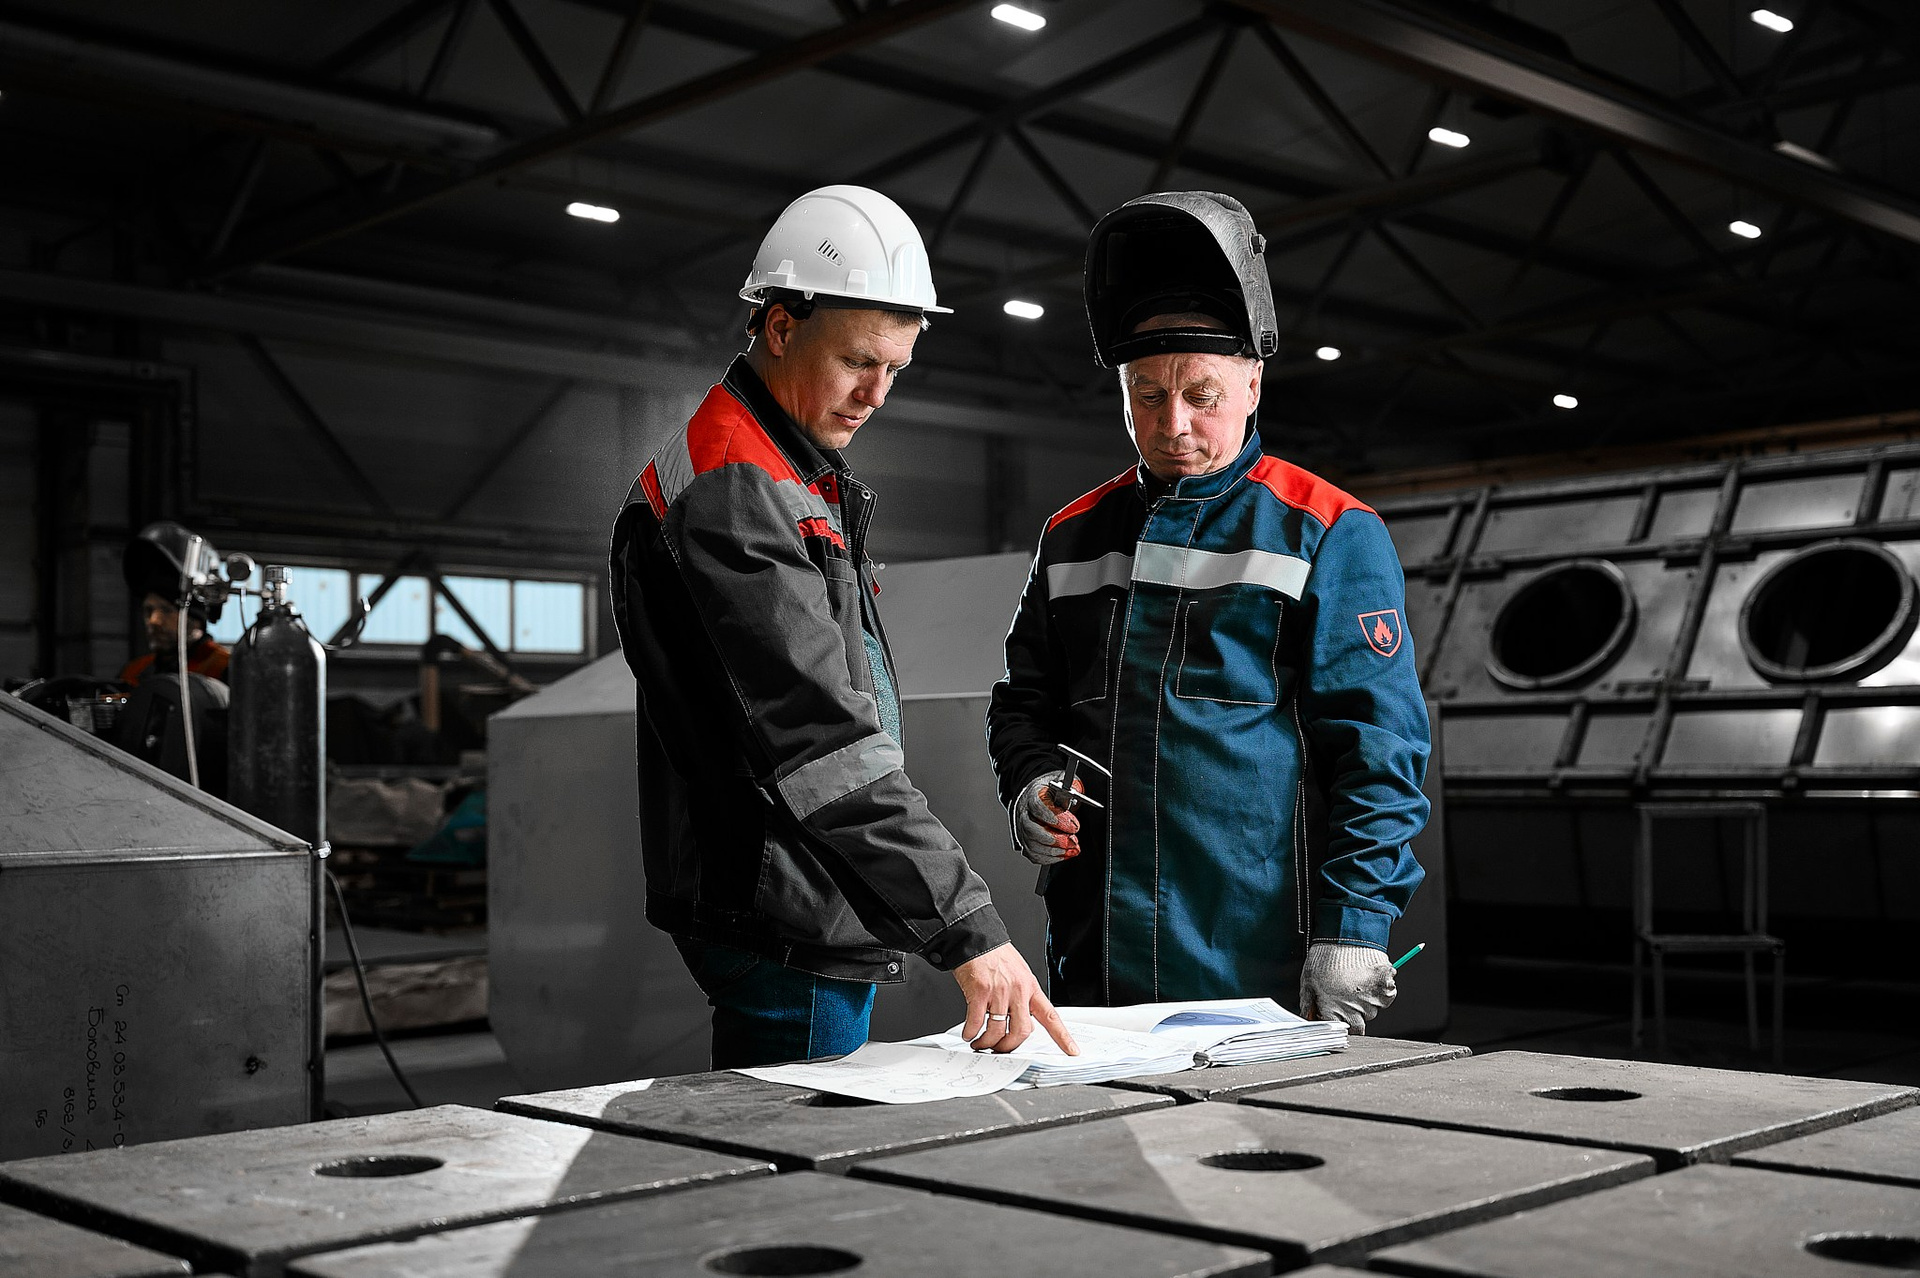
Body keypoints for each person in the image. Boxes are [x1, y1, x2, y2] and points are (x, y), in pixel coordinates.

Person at [609, 185, 1076, 1069]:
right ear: (781, 326)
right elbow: (822, 741)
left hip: (805, 885)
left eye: (896, 368)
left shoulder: (781, 469)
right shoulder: (737, 490)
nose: (876, 394)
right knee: (799, 1146)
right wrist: (968, 926)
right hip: (787, 903)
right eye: (858, 360)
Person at [986, 191, 1429, 1031]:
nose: (1174, 424)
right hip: (1095, 958)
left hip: (1258, 958)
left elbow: (1379, 752)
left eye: (1202, 394)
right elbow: (1023, 703)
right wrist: (1031, 780)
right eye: (1146, 395)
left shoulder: (1329, 532)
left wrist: (1354, 926)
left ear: (1253, 382)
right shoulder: (1072, 536)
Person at [119, 522, 230, 687]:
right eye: (148, 610)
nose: (154, 621)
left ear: (196, 616)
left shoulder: (225, 669)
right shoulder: (133, 673)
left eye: (166, 610)